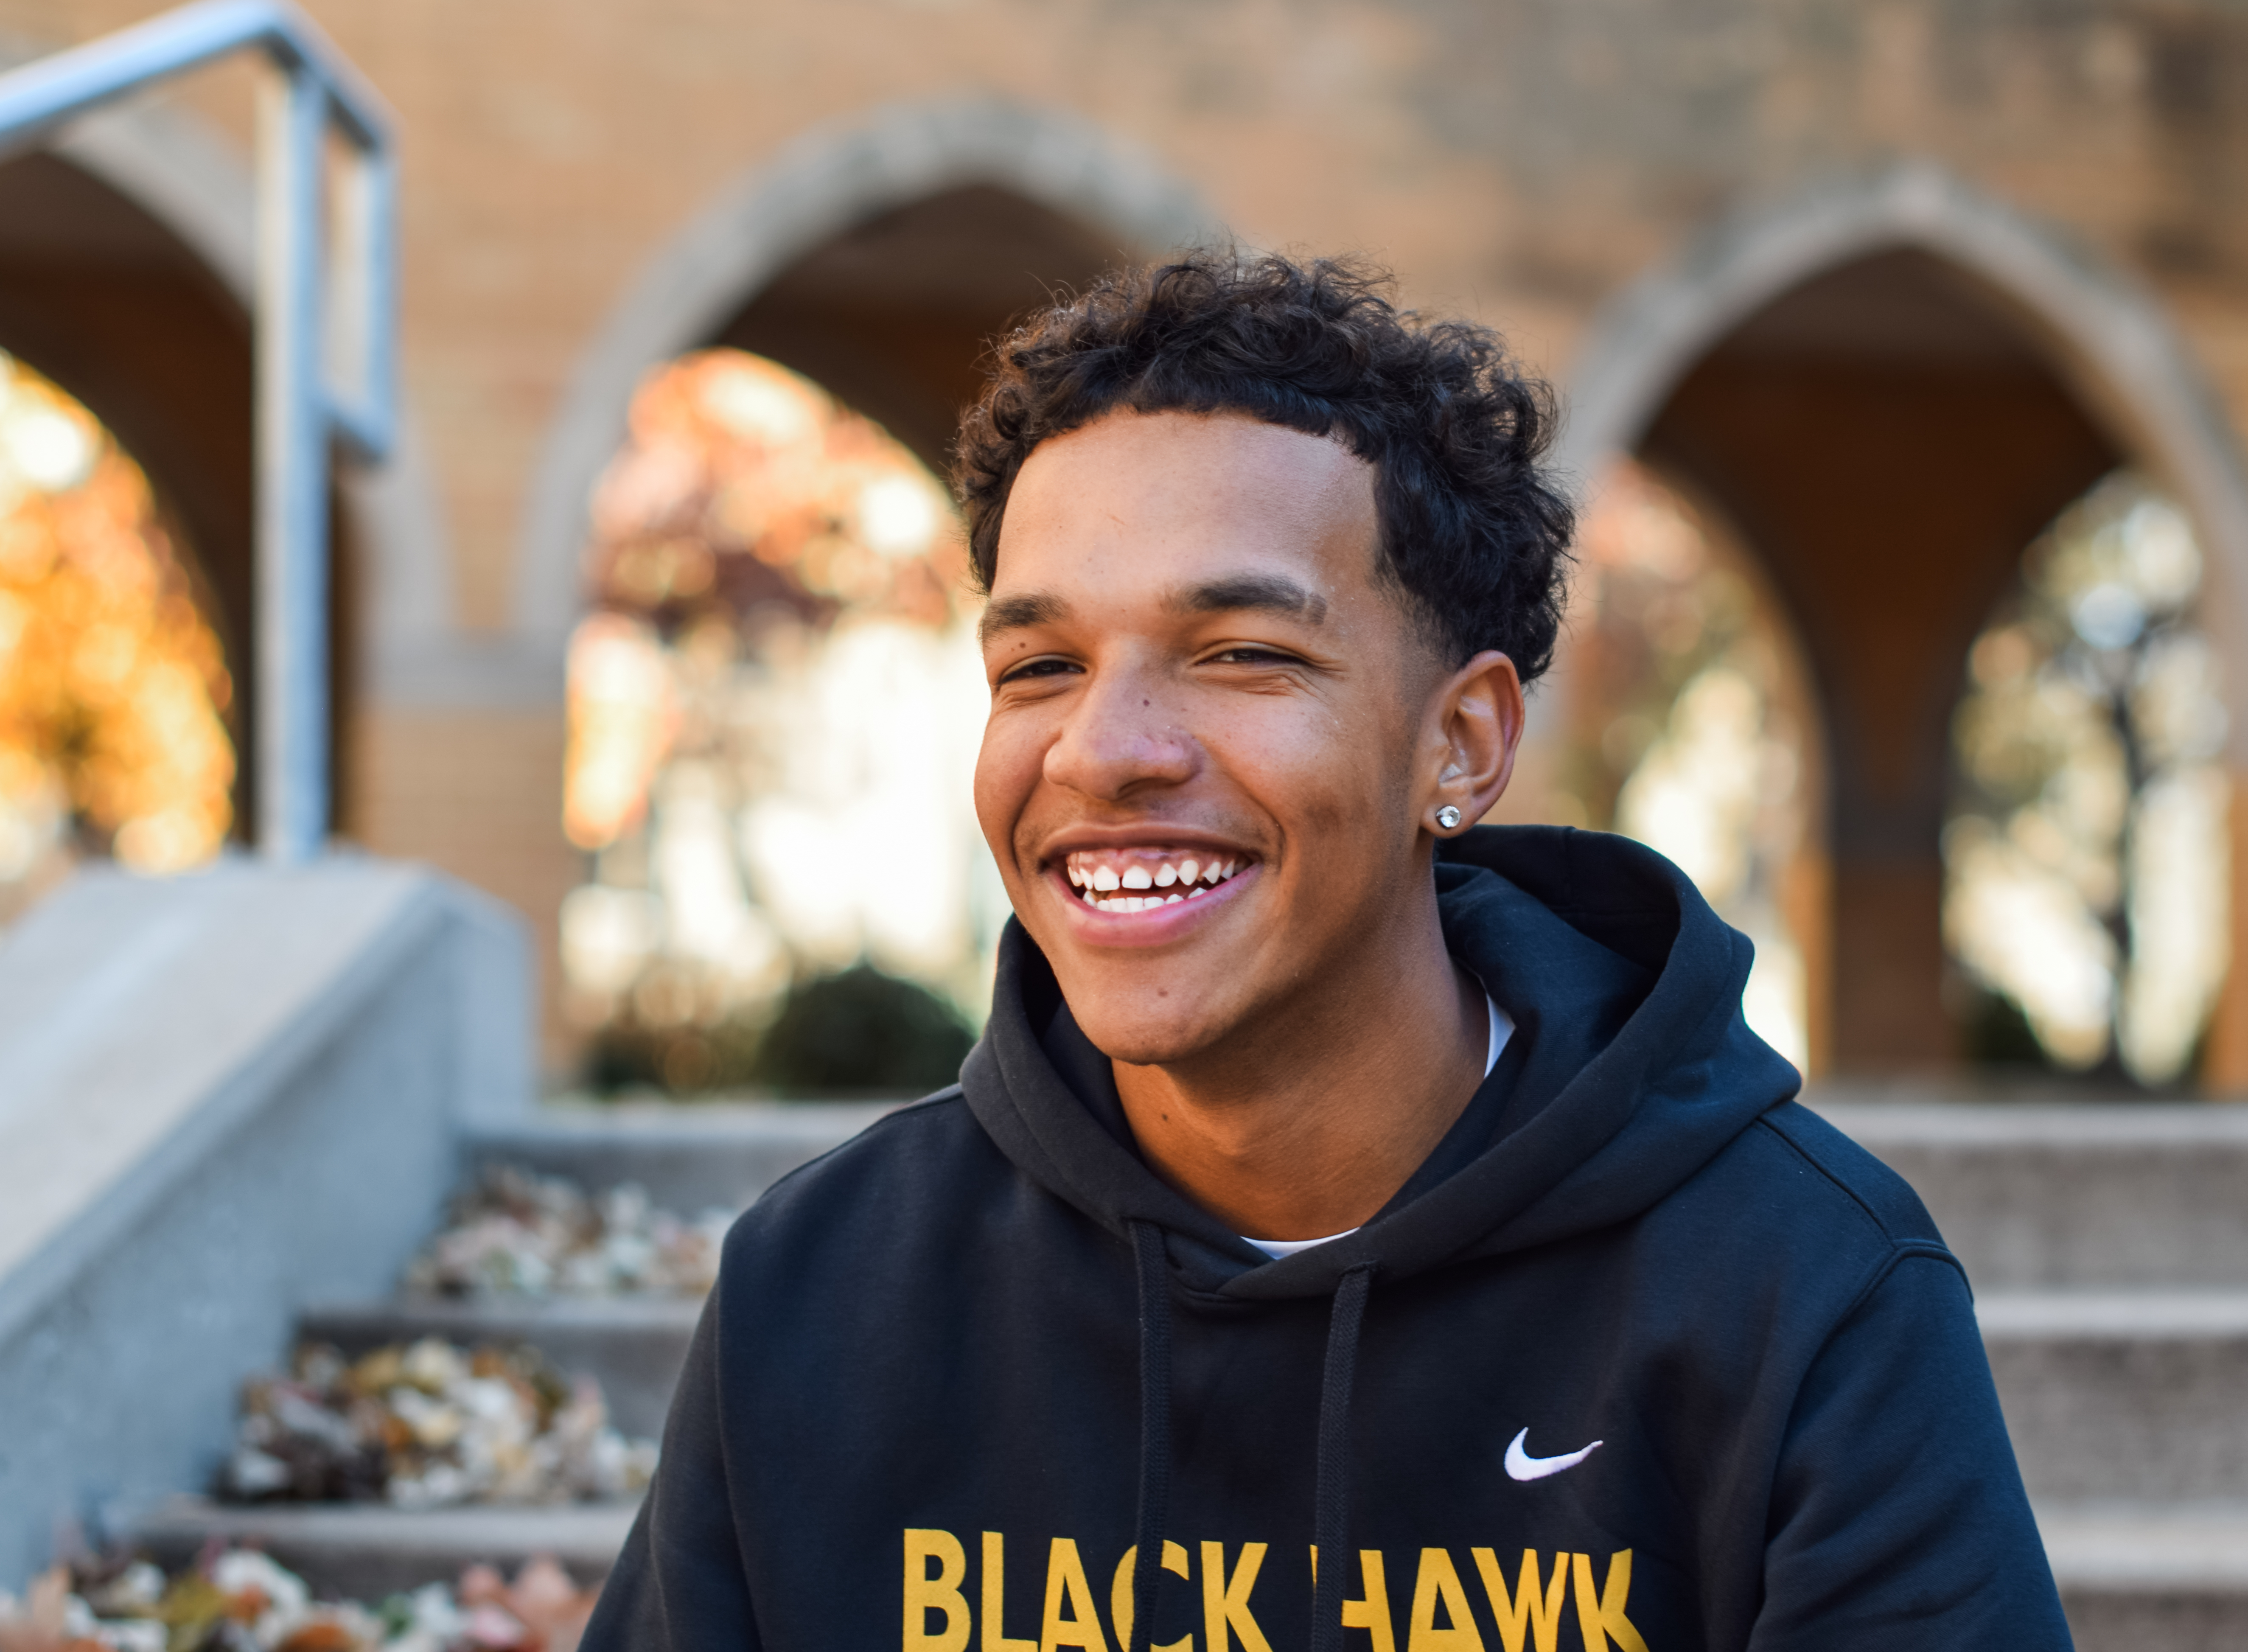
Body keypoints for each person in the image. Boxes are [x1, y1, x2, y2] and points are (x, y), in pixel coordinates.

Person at [581, 252, 2072, 1652]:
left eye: (1243, 655)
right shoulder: (823, 1289)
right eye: (1040, 667)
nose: (1104, 752)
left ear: (1464, 743)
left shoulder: (1803, 1294)